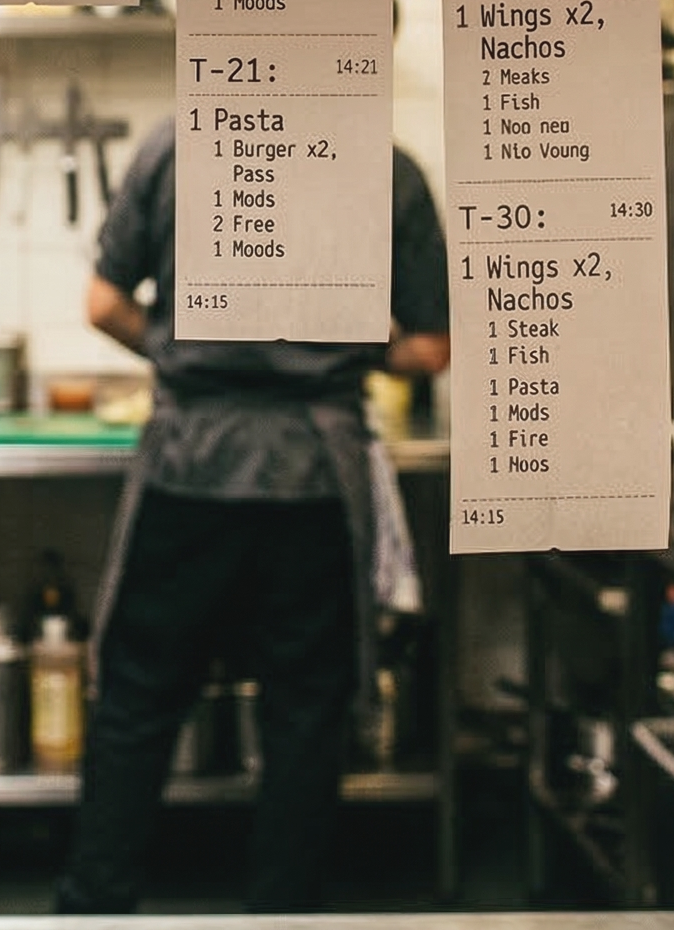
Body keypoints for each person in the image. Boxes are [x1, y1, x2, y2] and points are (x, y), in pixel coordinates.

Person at [55, 119, 449, 914]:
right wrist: (338, 346)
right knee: (305, 714)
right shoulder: (386, 166)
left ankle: (95, 905)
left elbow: (103, 304)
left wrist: (176, 348)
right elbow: (429, 350)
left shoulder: (174, 146)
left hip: (189, 464)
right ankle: (284, 910)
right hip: (313, 475)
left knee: (136, 698)